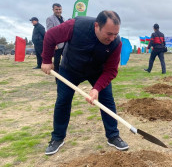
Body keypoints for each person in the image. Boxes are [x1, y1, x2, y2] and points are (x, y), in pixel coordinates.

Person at [41, 10, 129, 155]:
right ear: (96, 26)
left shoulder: (116, 43)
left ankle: (113, 136)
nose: (112, 38)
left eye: (115, 34)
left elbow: (111, 70)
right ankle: (57, 138)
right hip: (70, 68)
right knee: (63, 100)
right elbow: (50, 36)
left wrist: (97, 89)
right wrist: (46, 60)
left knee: (107, 100)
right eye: (109, 34)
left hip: (97, 71)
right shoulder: (75, 26)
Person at [46, 3, 65, 76]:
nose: (58, 11)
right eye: (56, 9)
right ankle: (57, 78)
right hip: (57, 44)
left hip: (64, 43)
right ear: (53, 10)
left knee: (66, 60)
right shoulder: (50, 19)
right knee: (57, 62)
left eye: (59, 9)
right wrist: (54, 44)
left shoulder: (63, 18)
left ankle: (64, 76)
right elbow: (50, 32)